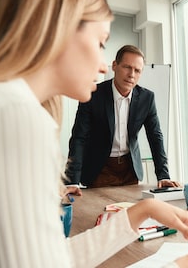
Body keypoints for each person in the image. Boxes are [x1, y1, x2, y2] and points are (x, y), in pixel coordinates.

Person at [0, 0, 188, 267]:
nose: (101, 65)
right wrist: (182, 264)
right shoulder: (14, 117)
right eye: (99, 43)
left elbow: (54, 258)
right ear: (58, 30)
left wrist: (142, 211)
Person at [65, 44, 179, 195]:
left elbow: (155, 137)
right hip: (99, 169)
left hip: (130, 170)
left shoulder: (147, 98)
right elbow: (79, 138)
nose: (131, 74)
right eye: (127, 67)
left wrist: (163, 175)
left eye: (137, 70)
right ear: (114, 66)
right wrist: (73, 180)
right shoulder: (93, 95)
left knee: (130, 213)